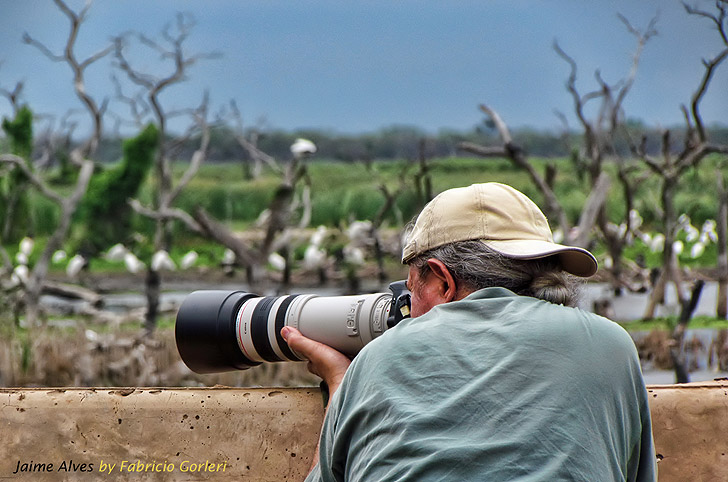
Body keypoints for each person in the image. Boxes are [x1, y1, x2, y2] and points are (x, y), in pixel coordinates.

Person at [281, 182, 656, 481]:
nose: (406, 310)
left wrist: (340, 382)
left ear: (443, 281)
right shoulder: (612, 347)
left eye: (412, 290)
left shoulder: (377, 359)